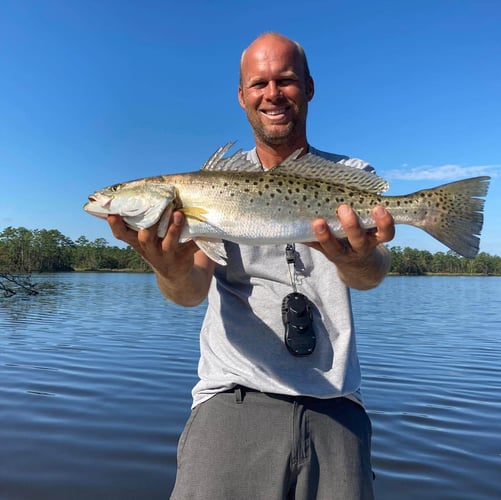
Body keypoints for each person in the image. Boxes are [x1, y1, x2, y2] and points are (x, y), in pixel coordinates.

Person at [108, 32, 395, 500]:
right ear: (242, 95)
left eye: (285, 80)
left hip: (336, 403)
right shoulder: (207, 186)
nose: (272, 93)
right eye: (259, 83)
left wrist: (359, 260)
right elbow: (190, 291)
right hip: (233, 396)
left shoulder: (352, 173)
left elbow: (373, 273)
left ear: (309, 87)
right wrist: (170, 268)